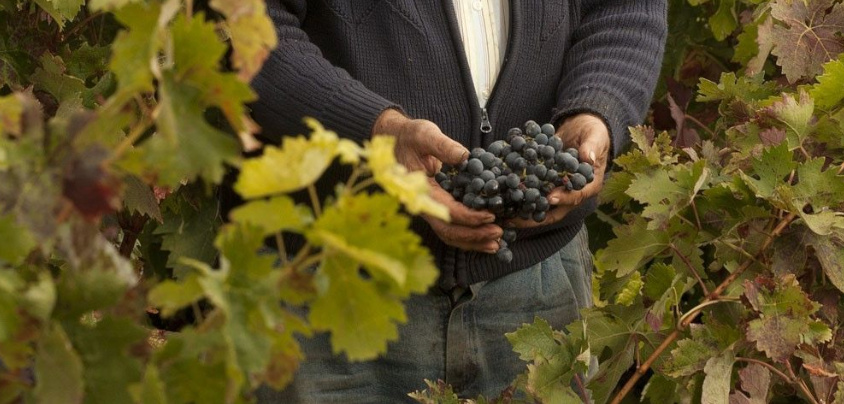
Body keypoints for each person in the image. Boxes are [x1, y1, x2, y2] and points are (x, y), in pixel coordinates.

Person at [249, 1, 667, 402]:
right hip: (332, 288)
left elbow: (624, 8)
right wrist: (371, 130)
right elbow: (245, 26)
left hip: (540, 284)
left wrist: (597, 106)